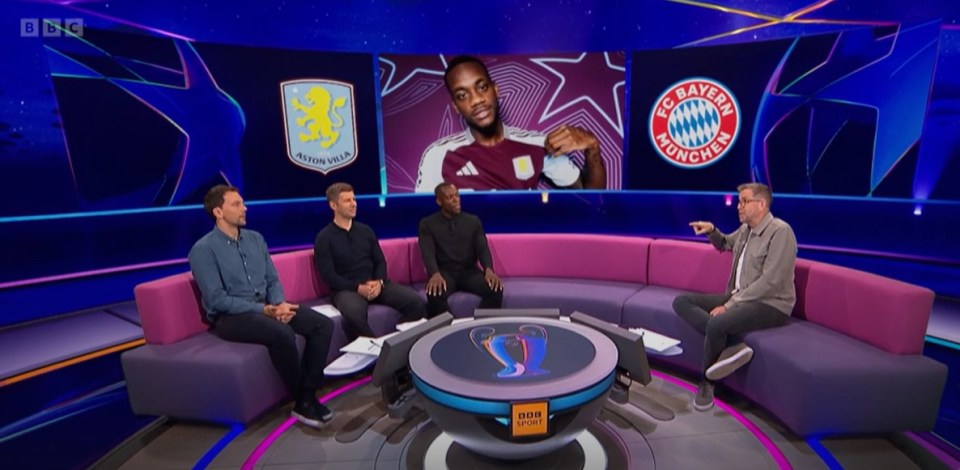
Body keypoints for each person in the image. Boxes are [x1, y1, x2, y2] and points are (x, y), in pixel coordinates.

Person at [188, 185, 335, 428]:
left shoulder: (256, 239)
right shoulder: (203, 250)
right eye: (236, 204)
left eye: (242, 203)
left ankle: (307, 394)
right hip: (232, 317)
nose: (244, 208)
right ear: (218, 212)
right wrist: (264, 311)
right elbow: (217, 300)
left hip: (268, 307)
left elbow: (272, 279)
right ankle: (304, 401)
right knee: (282, 333)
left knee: (322, 324)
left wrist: (279, 303)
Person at [672, 182, 796, 412]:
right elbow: (725, 243)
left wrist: (729, 305)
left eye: (744, 202)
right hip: (740, 297)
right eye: (739, 202)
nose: (739, 206)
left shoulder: (780, 232)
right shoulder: (746, 229)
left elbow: (771, 282)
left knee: (718, 322)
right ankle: (734, 346)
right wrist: (711, 231)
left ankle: (707, 382)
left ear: (761, 204)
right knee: (681, 302)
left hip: (770, 304)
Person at [414, 55, 606, 192]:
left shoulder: (538, 145)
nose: (476, 100)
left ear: (495, 90)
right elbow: (421, 219)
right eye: (462, 95)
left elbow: (591, 194)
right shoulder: (438, 155)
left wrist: (592, 147)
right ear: (456, 107)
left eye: (482, 87)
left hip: (520, 248)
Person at [313, 182, 426, 338]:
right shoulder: (324, 238)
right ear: (333, 205)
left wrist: (379, 281)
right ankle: (377, 354)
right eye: (347, 201)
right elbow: (329, 276)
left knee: (416, 302)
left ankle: (399, 342)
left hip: (375, 285)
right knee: (354, 315)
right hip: (347, 290)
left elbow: (380, 261)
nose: (354, 204)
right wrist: (358, 288)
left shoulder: (365, 231)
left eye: (354, 199)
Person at [418, 182, 503, 317]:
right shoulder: (428, 224)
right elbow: (427, 252)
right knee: (434, 293)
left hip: (469, 272)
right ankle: (446, 330)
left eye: (457, 195)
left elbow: (482, 248)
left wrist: (489, 270)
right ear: (439, 202)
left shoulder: (473, 221)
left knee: (495, 288)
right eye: (449, 197)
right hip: (444, 273)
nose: (456, 199)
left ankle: (481, 326)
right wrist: (434, 273)